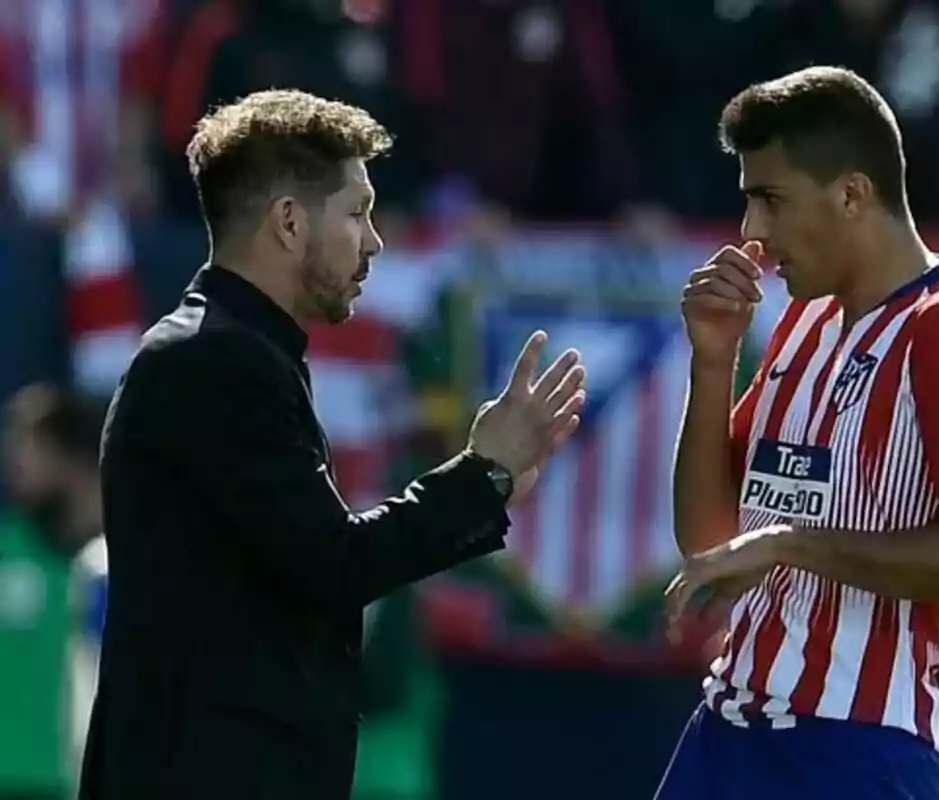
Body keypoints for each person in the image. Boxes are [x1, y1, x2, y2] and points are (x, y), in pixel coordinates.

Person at [78, 89, 587, 800]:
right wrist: (481, 475)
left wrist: (488, 480)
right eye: (357, 213)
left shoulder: (235, 353)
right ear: (288, 221)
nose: (375, 241)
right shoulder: (216, 362)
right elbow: (336, 563)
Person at [659, 66, 939, 799]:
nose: (751, 232)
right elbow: (710, 540)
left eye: (770, 200)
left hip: (857, 749)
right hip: (727, 726)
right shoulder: (802, 320)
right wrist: (713, 363)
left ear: (852, 194)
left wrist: (792, 545)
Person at [0, 384, 107, 799]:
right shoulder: (7, 552)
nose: (15, 463)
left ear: (73, 457)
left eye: (29, 447)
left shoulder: (129, 566)